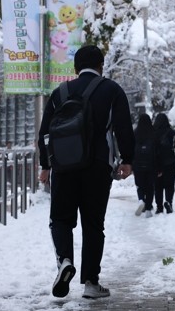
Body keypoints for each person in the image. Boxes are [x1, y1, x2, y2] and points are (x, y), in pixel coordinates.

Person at [37, 45, 135, 299]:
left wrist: (46, 165)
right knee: (93, 225)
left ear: (75, 68)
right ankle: (91, 283)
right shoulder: (111, 90)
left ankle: (65, 262)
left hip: (64, 167)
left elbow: (45, 133)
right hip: (97, 167)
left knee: (60, 219)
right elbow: (124, 127)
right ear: (102, 65)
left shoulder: (60, 92)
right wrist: (127, 160)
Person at [153, 113, 175, 214]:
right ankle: (169, 202)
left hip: (156, 163)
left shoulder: (153, 133)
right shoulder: (171, 132)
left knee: (158, 186)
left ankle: (159, 207)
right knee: (169, 184)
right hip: (170, 161)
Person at [132, 113, 158, 218]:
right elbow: (157, 151)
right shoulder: (153, 133)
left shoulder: (135, 133)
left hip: (138, 165)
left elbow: (130, 149)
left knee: (140, 185)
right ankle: (148, 209)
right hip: (151, 165)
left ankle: (141, 200)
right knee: (150, 187)